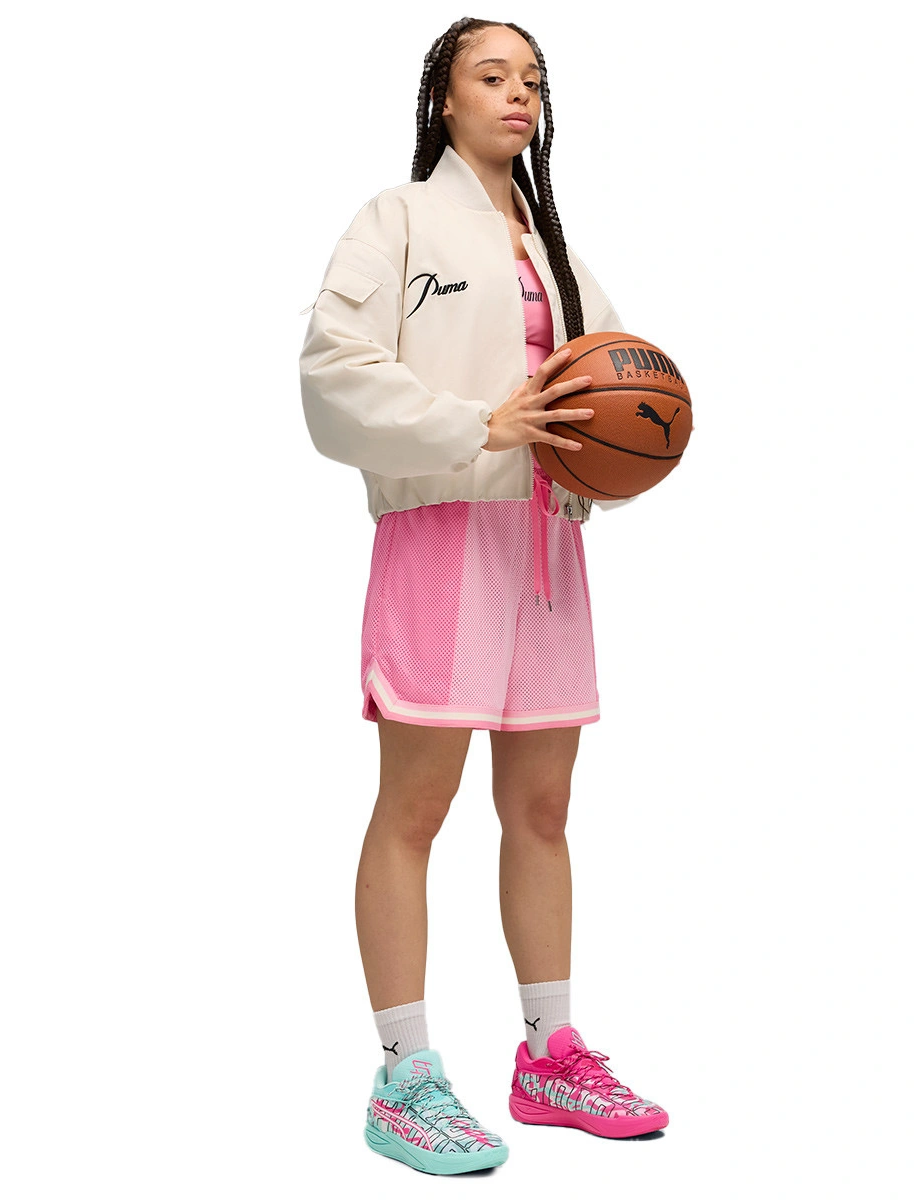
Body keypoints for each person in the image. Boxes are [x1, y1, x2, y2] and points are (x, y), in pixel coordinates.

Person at [298, 17, 667, 1176]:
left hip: (545, 545)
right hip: (444, 536)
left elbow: (612, 385)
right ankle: (404, 1076)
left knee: (545, 809)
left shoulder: (554, 250)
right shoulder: (397, 220)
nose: (518, 96)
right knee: (415, 808)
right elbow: (332, 370)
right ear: (443, 100)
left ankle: (550, 1054)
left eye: (533, 81)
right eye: (492, 76)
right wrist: (476, 425)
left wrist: (607, 456)